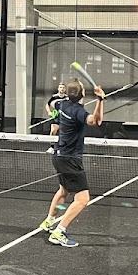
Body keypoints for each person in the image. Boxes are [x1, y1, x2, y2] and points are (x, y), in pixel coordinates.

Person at [38, 78, 105, 248]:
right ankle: (59, 232)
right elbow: (96, 121)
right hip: (71, 159)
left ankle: (49, 222)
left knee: (63, 190)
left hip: (59, 155)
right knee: (82, 199)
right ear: (83, 93)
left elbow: (53, 109)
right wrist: (100, 100)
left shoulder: (62, 105)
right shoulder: (77, 111)